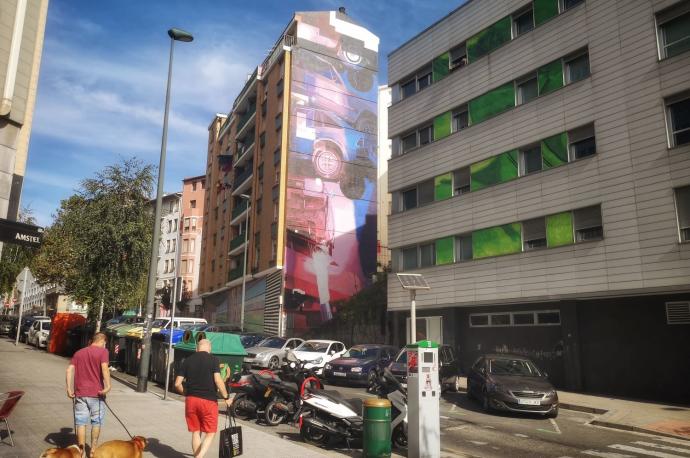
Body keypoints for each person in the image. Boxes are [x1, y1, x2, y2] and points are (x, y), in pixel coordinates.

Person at [175, 338, 232, 458]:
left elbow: (177, 384)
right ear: (209, 349)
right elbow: (218, 380)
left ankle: (197, 456)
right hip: (208, 401)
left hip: (191, 400)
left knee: (196, 431)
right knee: (210, 433)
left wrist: (186, 393)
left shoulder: (187, 361)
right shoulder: (213, 360)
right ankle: (199, 457)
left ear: (197, 348)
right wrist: (226, 397)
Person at [65, 332, 111, 458]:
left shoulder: (79, 353)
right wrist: (108, 386)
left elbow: (69, 370)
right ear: (103, 341)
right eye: (105, 343)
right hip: (97, 394)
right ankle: (93, 450)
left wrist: (69, 389)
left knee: (80, 423)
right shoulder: (103, 352)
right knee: (96, 422)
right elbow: (104, 368)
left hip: (80, 394)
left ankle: (81, 451)